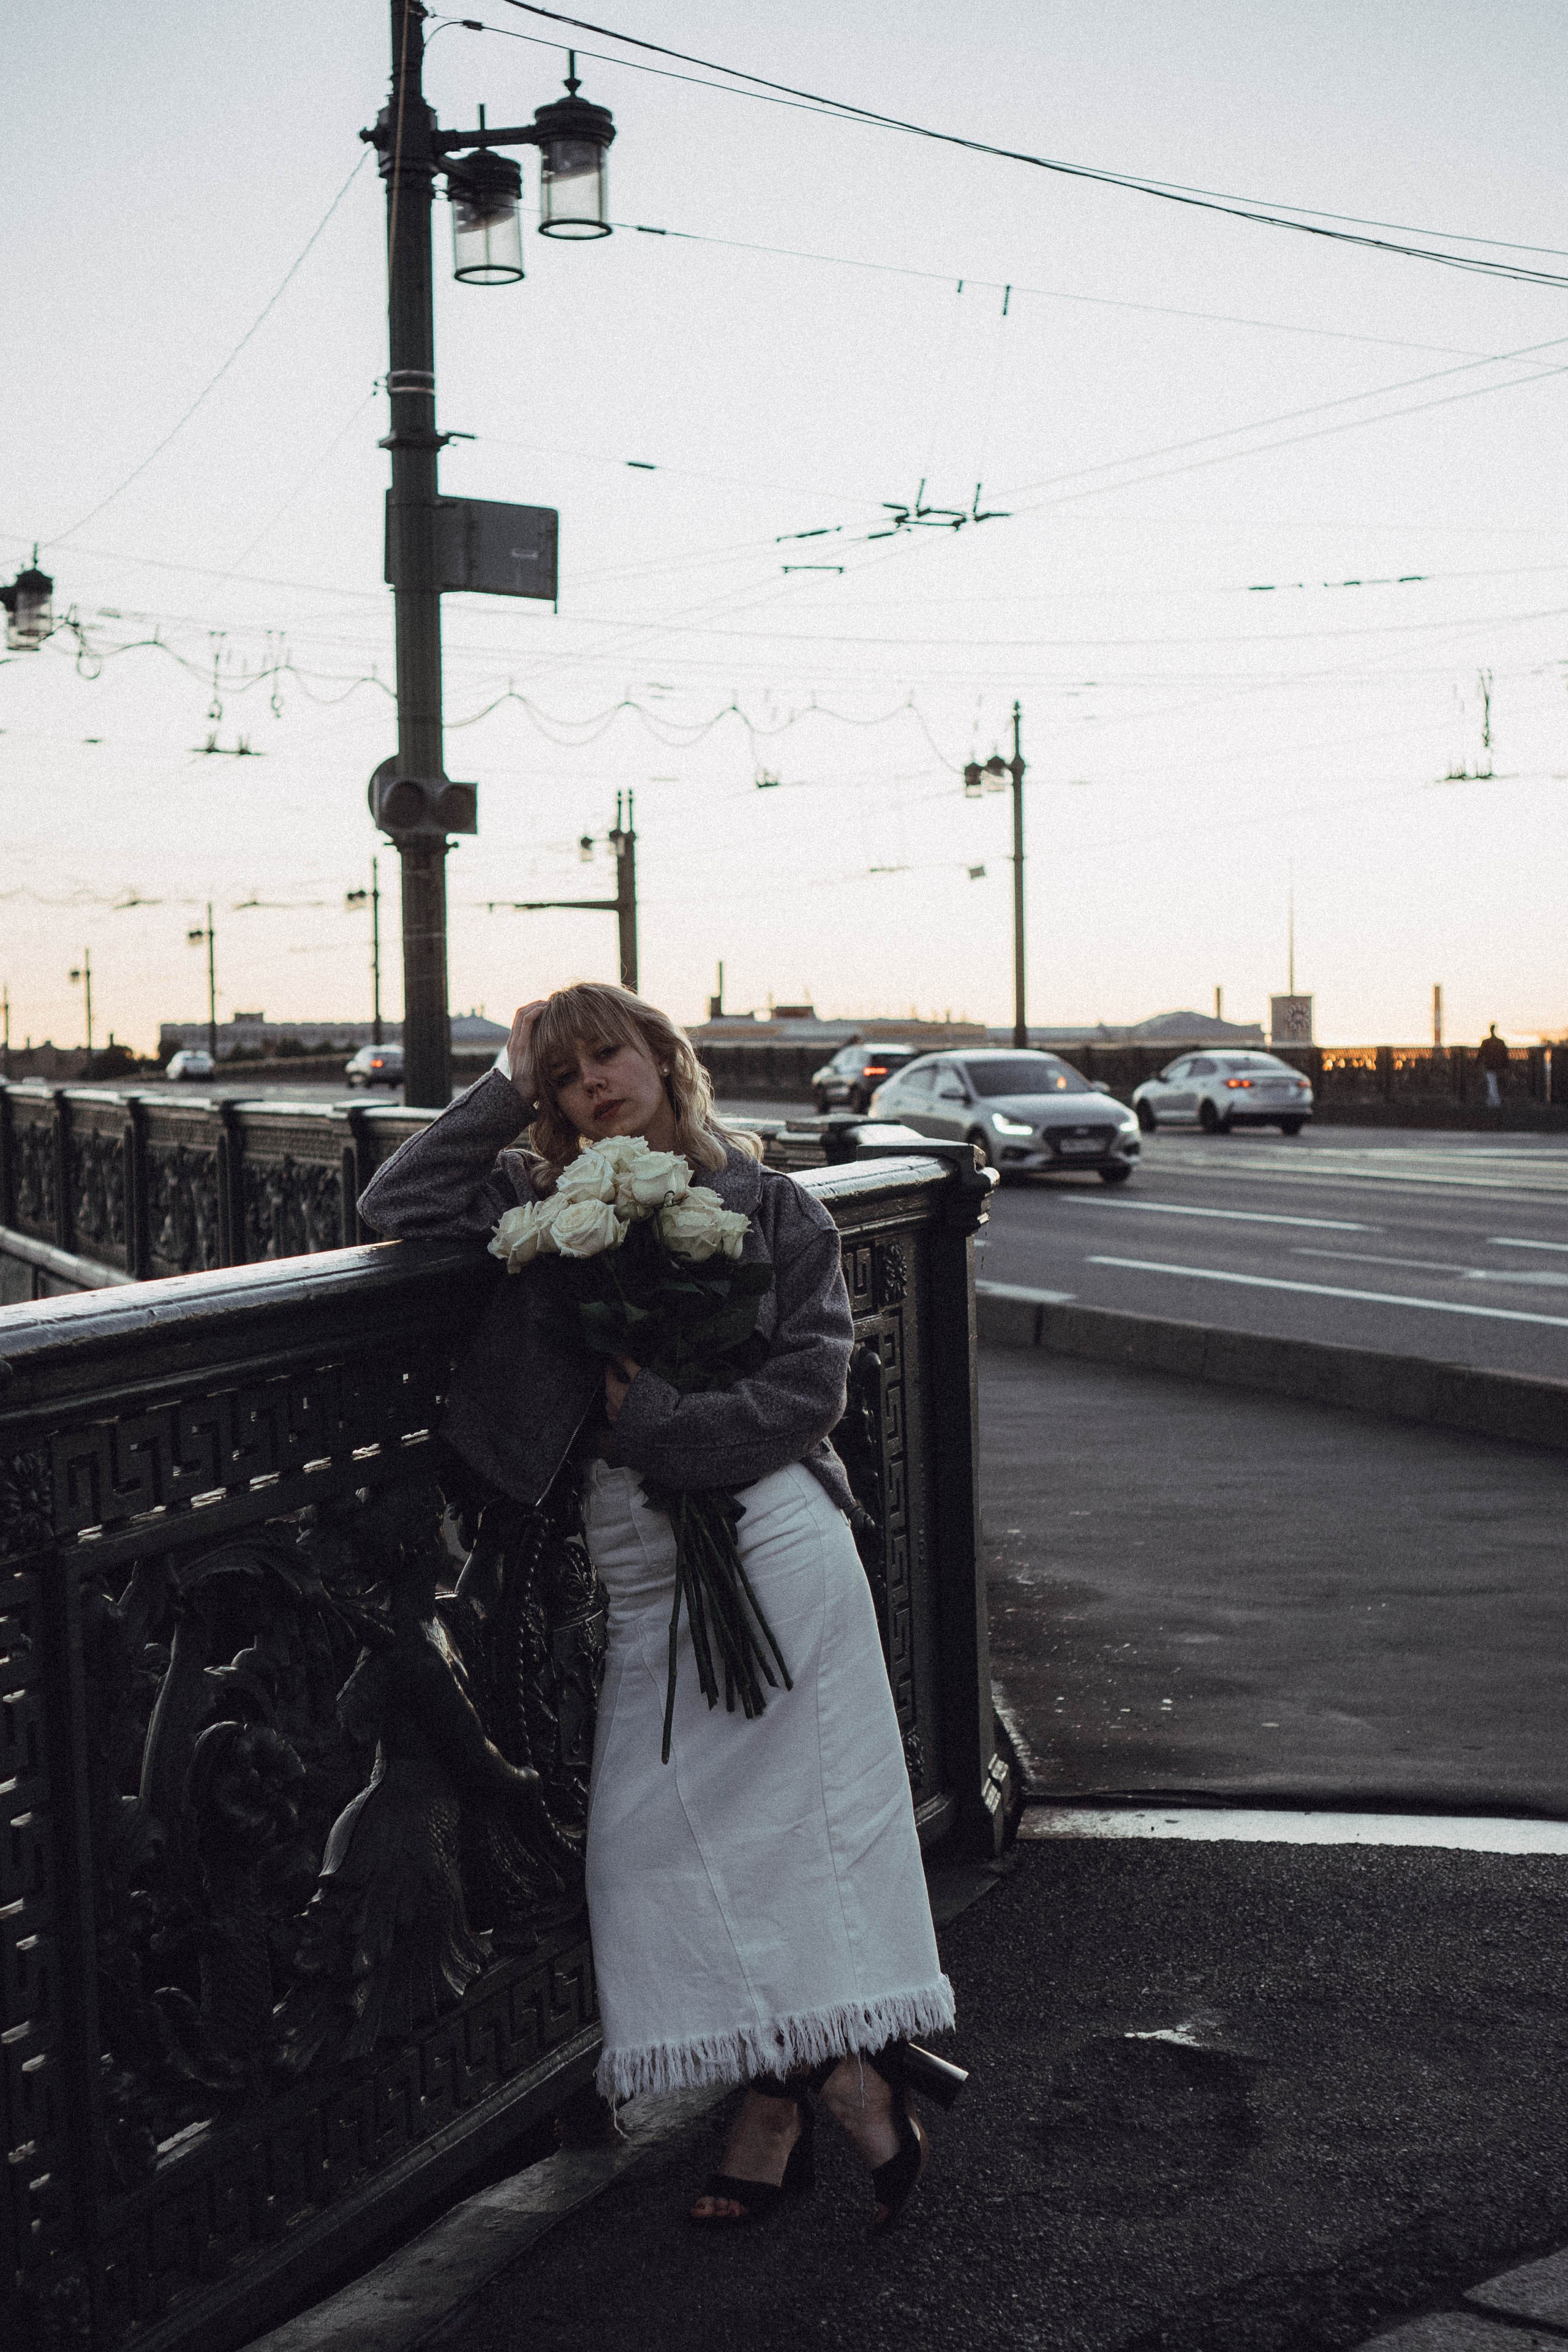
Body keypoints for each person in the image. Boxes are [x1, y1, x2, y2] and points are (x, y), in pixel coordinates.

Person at [356, 982, 957, 2234]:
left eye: (605, 1057)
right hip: (637, 1565)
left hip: (774, 1545)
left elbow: (810, 1389)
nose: (591, 1086)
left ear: (660, 1057)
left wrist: (671, 1428)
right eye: (563, 1075)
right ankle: (838, 2082)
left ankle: (783, 2111)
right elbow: (394, 1202)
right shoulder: (536, 1202)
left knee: (781, 1839)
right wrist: (501, 1084)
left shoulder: (768, 1200)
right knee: (649, 1849)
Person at [1479, 1023, 1509, 1110]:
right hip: (1499, 1066)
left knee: (1492, 1083)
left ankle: (1494, 1102)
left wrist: (1477, 1064)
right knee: (1493, 1083)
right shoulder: (1501, 1042)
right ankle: (1492, 1101)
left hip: (1489, 1065)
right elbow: (1505, 1055)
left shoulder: (1486, 1042)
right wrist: (1506, 1066)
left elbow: (1481, 1054)